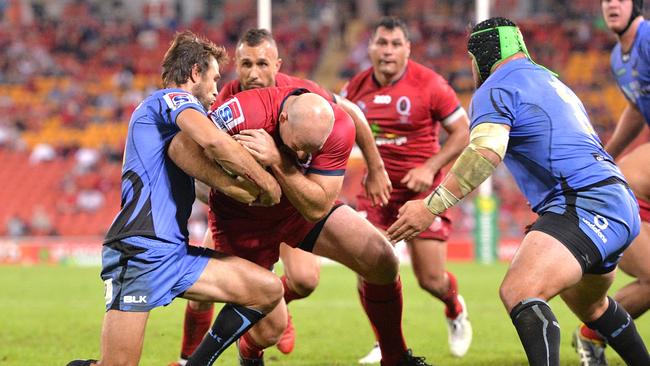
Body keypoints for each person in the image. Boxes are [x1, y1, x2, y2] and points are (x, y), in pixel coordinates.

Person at [387, 17, 650, 366]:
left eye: (471, 57)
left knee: (520, 291)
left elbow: (485, 152)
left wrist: (431, 207)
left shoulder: (496, 87)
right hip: (617, 201)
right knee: (594, 306)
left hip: (584, 203)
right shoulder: (550, 80)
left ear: (483, 53)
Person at [170, 28, 392, 366]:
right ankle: (197, 354)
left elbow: (352, 115)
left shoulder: (307, 98)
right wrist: (230, 187)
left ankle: (394, 353)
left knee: (306, 279)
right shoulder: (227, 102)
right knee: (218, 294)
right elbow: (187, 153)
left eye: (262, 64)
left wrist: (375, 167)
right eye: (245, 64)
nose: (253, 73)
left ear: (278, 65)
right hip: (242, 215)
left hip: (295, 205)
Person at [66, 30, 285, 366]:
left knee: (267, 290)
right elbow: (214, 142)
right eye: (213, 79)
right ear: (195, 73)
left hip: (174, 253)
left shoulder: (171, 120)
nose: (215, 90)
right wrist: (265, 184)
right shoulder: (167, 100)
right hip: (139, 250)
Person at [340, 16, 472, 363]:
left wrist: (430, 168)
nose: (387, 51)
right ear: (370, 48)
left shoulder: (431, 84)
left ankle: (454, 306)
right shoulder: (353, 88)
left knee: (430, 279)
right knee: (369, 266)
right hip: (377, 190)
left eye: (395, 44)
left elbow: (463, 132)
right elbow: (337, 131)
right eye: (381, 43)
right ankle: (385, 344)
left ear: (407, 49)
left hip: (422, 193)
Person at [572, 1, 650, 364]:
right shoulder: (620, 57)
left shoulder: (648, 39)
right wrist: (608, 154)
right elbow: (637, 107)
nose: (611, 4)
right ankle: (591, 335)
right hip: (633, 189)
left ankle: (591, 334)